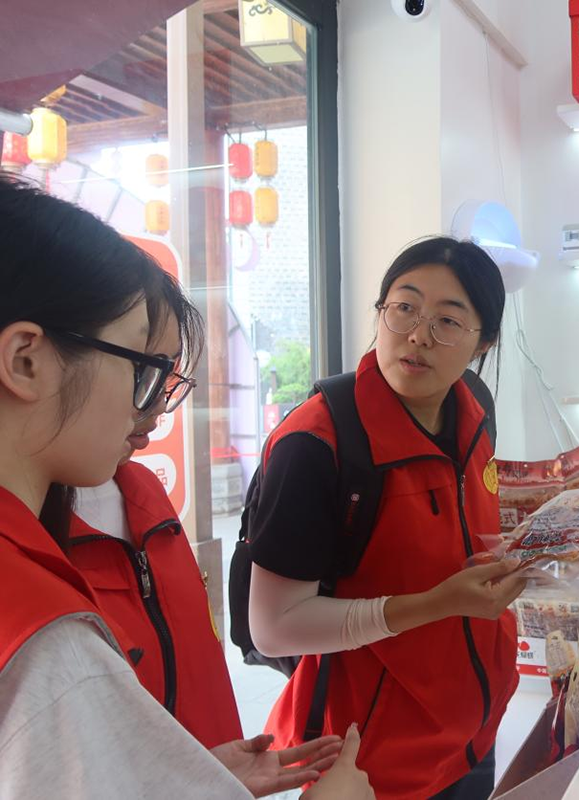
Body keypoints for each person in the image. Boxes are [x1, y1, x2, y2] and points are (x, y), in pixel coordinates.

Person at [0, 176, 373, 799]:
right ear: (25, 361)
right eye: (142, 368)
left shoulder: (125, 508)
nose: (148, 410)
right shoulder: (45, 640)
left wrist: (179, 776)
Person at [247, 237, 527, 798]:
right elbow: (273, 629)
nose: (418, 335)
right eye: (404, 308)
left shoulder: (473, 412)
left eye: (448, 321)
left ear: (483, 343)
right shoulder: (315, 443)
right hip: (368, 763)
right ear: (380, 312)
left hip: (474, 732)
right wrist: (439, 603)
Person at [67, 267, 244, 749]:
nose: (158, 406)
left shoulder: (143, 489)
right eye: (140, 370)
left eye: (166, 375)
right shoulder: (28, 540)